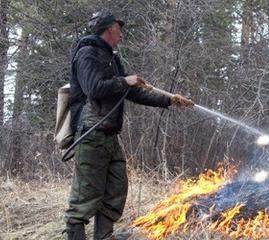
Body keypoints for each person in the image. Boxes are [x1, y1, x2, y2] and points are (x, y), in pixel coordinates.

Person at [64, 10, 193, 240]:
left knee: (116, 188)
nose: (122, 34)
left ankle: (104, 236)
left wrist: (169, 100)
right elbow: (93, 88)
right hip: (92, 133)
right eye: (119, 29)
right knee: (85, 196)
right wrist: (124, 80)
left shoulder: (111, 58)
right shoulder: (86, 54)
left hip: (110, 136)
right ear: (109, 29)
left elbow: (130, 94)